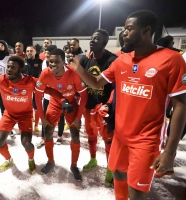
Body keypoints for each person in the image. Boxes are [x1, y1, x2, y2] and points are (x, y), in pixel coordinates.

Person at [68, 10, 186, 199]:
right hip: (120, 136)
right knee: (119, 174)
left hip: (147, 140)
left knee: (137, 191)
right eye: (123, 29)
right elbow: (97, 82)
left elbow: (180, 105)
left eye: (129, 29)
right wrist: (79, 68)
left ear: (146, 31)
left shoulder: (171, 59)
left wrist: (170, 152)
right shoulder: (122, 60)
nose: (124, 33)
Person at [0, 56, 64, 174]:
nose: (9, 69)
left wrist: (63, 100)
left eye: (13, 67)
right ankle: (9, 160)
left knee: (26, 143)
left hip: (25, 115)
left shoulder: (30, 81)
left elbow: (50, 90)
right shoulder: (1, 80)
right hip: (9, 115)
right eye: (8, 66)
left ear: (20, 70)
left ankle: (31, 159)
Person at [35, 48, 88, 181]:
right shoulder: (45, 73)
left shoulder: (73, 73)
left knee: (75, 135)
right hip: (54, 103)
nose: (52, 65)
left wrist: (77, 118)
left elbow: (84, 95)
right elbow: (37, 95)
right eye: (50, 61)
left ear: (63, 62)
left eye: (56, 62)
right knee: (47, 132)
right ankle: (50, 161)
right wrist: (42, 118)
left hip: (72, 103)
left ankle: (74, 165)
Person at [79, 29, 117, 187]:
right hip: (89, 106)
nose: (92, 41)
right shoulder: (85, 60)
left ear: (105, 43)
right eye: (92, 38)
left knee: (109, 141)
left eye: (97, 39)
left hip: (104, 107)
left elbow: (117, 87)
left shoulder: (112, 60)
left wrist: (108, 104)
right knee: (90, 134)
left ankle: (111, 169)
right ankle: (93, 159)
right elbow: (78, 81)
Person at [35, 45, 66, 148]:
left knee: (61, 117)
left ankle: (60, 136)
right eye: (46, 52)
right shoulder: (43, 63)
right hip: (47, 95)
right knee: (45, 117)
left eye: (49, 53)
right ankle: (43, 138)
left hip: (59, 96)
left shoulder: (61, 65)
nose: (46, 54)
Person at [23, 45, 43, 132]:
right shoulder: (23, 62)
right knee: (26, 106)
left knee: (37, 106)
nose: (29, 53)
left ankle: (36, 125)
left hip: (36, 87)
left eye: (31, 51)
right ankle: (28, 122)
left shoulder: (40, 62)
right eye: (27, 51)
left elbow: (43, 75)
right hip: (25, 88)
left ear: (35, 52)